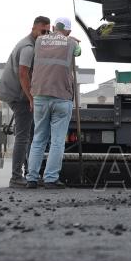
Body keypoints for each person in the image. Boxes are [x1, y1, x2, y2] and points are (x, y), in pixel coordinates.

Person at [25, 17, 82, 189]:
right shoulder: (70, 42)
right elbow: (78, 52)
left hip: (40, 96)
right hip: (61, 97)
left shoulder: (40, 41)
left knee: (38, 139)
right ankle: (50, 179)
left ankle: (32, 178)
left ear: (54, 27)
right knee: (57, 141)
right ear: (68, 31)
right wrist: (72, 41)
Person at [0, 16, 51, 187]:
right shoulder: (28, 47)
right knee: (23, 137)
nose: (45, 34)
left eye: (48, 32)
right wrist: (31, 98)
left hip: (18, 93)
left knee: (31, 134)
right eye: (43, 31)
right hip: (18, 96)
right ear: (34, 28)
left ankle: (30, 174)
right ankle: (16, 177)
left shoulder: (32, 44)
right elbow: (22, 74)